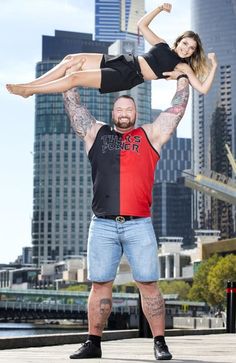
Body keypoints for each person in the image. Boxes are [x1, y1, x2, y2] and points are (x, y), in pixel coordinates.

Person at [62, 60, 190, 360]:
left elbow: (176, 111)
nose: (123, 113)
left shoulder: (150, 135)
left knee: (149, 284)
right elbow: (73, 106)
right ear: (112, 113)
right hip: (103, 224)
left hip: (139, 224)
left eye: (128, 109)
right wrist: (71, 76)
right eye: (118, 109)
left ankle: (160, 343)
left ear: (135, 113)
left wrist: (182, 81)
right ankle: (93, 342)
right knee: (99, 285)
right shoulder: (95, 133)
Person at [6, 3, 217, 98]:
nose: (186, 49)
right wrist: (160, 8)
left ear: (192, 53)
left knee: (75, 77)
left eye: (191, 48)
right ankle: (30, 86)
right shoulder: (162, 45)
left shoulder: (182, 67)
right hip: (123, 60)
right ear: (179, 41)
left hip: (128, 75)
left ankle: (30, 90)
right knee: (72, 59)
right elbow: (142, 25)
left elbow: (203, 89)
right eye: (185, 43)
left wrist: (214, 65)